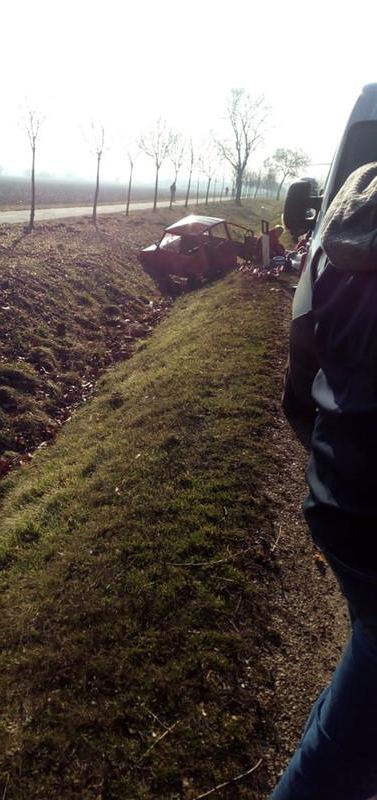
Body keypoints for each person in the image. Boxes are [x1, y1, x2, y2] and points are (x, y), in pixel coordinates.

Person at [273, 162, 377, 799]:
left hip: (342, 514)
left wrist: (343, 466)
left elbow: (297, 389)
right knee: (342, 758)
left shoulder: (355, 200)